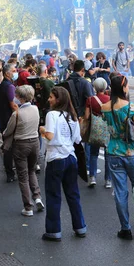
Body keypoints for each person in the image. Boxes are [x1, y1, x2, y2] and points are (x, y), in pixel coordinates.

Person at [100, 75, 134, 240]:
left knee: (120, 192)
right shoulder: (130, 107)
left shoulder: (104, 107)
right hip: (133, 153)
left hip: (113, 152)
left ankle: (125, 228)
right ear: (123, 87)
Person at [38, 87, 87, 241]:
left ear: (58, 99)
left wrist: (42, 131)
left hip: (55, 158)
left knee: (53, 195)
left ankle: (54, 231)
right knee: (73, 194)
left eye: (51, 97)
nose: (49, 99)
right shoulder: (72, 115)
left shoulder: (51, 115)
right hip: (71, 157)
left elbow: (50, 137)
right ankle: (80, 227)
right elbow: (78, 139)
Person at [2, 85, 43, 217]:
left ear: (20, 97)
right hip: (35, 142)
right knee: (31, 171)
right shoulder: (35, 109)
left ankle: (28, 206)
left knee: (22, 176)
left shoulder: (17, 114)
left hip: (21, 144)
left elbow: (8, 131)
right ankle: (37, 197)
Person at [84, 78, 111, 188]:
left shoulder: (90, 100)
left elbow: (86, 116)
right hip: (107, 129)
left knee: (93, 153)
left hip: (95, 129)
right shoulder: (110, 99)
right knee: (108, 154)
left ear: (94, 87)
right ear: (105, 87)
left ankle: (92, 177)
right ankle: (108, 180)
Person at [0, 64, 18, 182]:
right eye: (14, 71)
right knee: (10, 146)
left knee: (8, 146)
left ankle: (10, 172)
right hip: (9, 120)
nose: (15, 72)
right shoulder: (9, 87)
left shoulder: (1, 87)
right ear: (7, 73)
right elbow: (13, 105)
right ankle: (11, 172)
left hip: (2, 119)